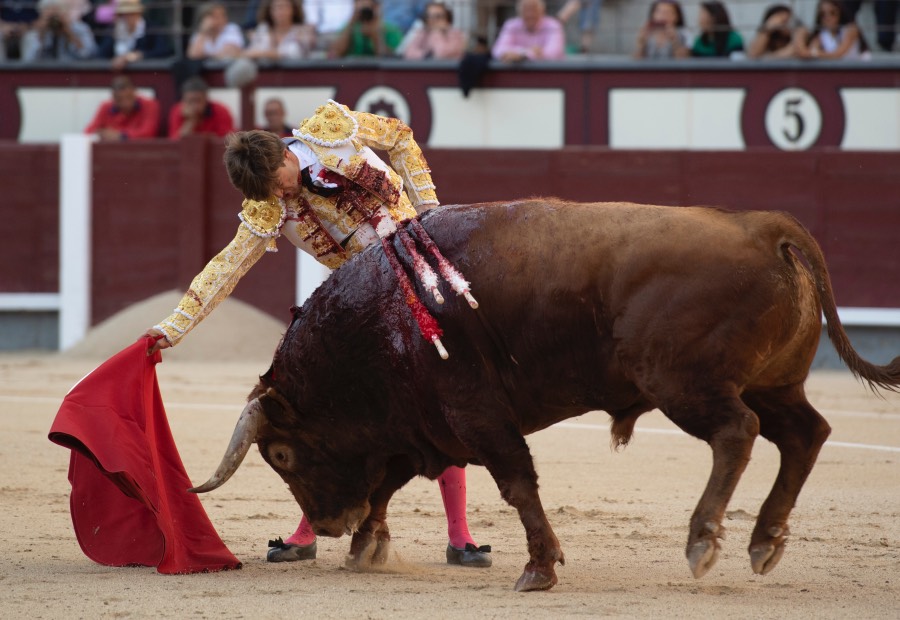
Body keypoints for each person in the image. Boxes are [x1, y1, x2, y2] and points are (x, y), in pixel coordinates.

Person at [146, 99, 493, 568]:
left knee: (441, 400)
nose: (280, 194)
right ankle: (308, 531)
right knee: (325, 414)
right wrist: (174, 327)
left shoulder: (331, 128)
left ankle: (460, 536)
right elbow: (227, 266)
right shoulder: (268, 207)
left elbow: (399, 136)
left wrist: (429, 208)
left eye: (278, 183)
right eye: (269, 193)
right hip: (362, 302)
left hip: (421, 279)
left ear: (286, 155)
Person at [97, 0, 170, 70]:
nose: (127, 18)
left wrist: (139, 55)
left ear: (139, 14)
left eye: (131, 14)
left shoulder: (151, 28)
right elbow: (102, 54)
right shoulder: (113, 30)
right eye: (123, 15)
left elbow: (162, 50)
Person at [84, 74, 160, 140]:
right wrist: (100, 133)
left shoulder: (150, 105)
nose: (126, 104)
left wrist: (121, 136)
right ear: (113, 97)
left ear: (134, 92)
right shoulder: (106, 107)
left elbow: (149, 133)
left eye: (129, 97)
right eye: (120, 99)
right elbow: (88, 132)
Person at [491, 0, 565, 62]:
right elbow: (497, 50)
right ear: (519, 12)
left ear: (542, 11)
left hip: (548, 72)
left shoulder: (553, 25)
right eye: (525, 10)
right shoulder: (511, 25)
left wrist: (520, 55)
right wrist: (524, 53)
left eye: (533, 9)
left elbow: (555, 52)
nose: (530, 14)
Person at [20, 0, 96, 60]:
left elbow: (87, 55)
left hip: (71, 70)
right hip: (44, 72)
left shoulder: (80, 28)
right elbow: (29, 60)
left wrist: (69, 33)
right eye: (50, 14)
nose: (55, 19)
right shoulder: (34, 32)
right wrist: (41, 36)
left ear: (65, 12)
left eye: (58, 12)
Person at [244, 0, 316, 60]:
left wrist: (265, 54)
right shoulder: (263, 29)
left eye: (285, 7)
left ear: (294, 10)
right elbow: (250, 53)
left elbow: (295, 54)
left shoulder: (302, 31)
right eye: (276, 7)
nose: (281, 12)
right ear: (269, 10)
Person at [329, 0, 403, 57]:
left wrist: (376, 36)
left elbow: (392, 60)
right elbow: (335, 54)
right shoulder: (349, 28)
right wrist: (352, 21)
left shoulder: (391, 30)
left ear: (377, 7)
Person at [167, 76, 235, 139]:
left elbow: (227, 139)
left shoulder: (220, 111)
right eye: (190, 101)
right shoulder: (177, 111)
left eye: (198, 100)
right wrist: (190, 122)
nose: (194, 105)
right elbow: (174, 143)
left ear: (206, 99)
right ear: (183, 100)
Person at [401, 1, 466, 60]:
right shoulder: (423, 33)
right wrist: (426, 55)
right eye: (428, 16)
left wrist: (437, 32)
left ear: (447, 19)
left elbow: (441, 53)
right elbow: (408, 52)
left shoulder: (455, 35)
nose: (432, 20)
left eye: (438, 16)